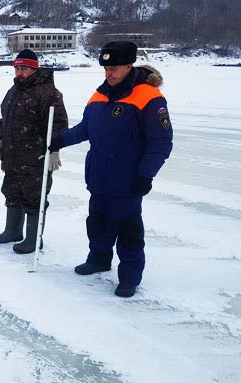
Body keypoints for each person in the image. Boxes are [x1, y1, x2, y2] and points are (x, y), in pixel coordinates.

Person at [48, 41, 173, 298]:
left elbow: (161, 142)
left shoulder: (149, 97)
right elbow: (86, 129)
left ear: (129, 65)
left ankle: (129, 277)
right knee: (97, 224)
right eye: (105, 68)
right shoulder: (100, 95)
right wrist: (59, 139)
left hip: (128, 181)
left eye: (114, 68)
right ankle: (99, 260)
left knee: (128, 231)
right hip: (99, 177)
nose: (109, 73)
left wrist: (145, 175)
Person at [0, 49, 68, 254]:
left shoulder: (48, 92)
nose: (19, 72)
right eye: (17, 68)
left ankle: (33, 239)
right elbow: (5, 117)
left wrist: (54, 150)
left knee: (34, 197)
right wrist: (0, 136)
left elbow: (58, 124)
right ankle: (12, 231)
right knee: (12, 191)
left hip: (36, 157)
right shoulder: (14, 91)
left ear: (34, 69)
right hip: (12, 154)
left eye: (24, 68)